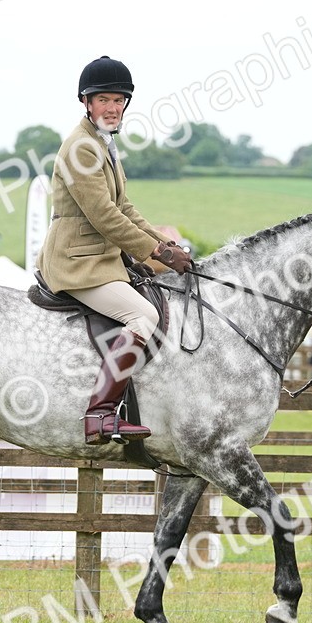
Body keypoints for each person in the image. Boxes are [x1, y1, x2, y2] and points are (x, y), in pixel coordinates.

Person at [36, 55, 192, 445]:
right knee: (144, 316)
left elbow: (124, 208)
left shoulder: (103, 144)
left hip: (101, 259)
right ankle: (100, 415)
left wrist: (165, 247)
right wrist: (156, 252)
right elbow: (104, 216)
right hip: (77, 262)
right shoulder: (80, 149)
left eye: (119, 100)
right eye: (103, 99)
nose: (112, 107)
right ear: (86, 103)